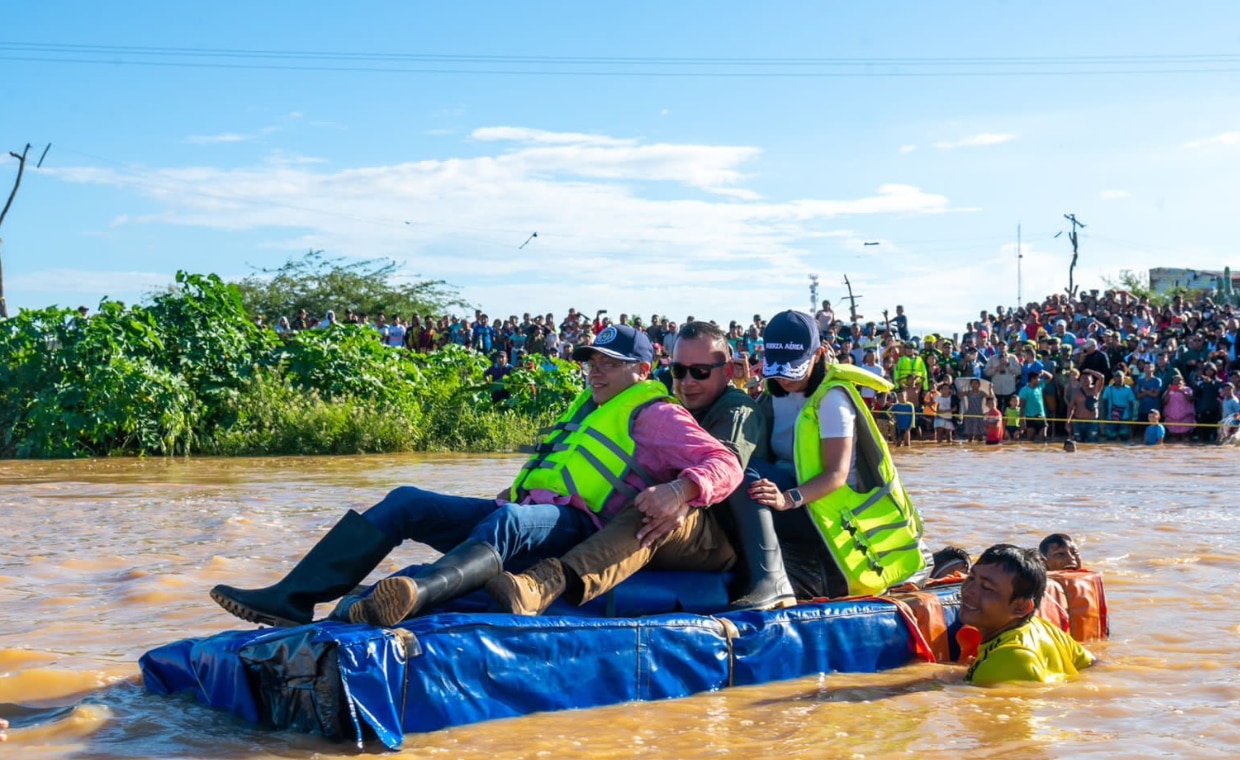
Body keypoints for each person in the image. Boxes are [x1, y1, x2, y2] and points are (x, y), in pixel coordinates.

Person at [210, 324, 742, 628]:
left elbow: (725, 464)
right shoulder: (587, 405)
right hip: (533, 517)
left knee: (509, 521)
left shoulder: (655, 413)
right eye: (590, 359)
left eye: (610, 361)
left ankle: (415, 594)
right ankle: (294, 597)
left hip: (581, 530)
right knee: (407, 501)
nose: (595, 368)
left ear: (642, 371)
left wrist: (680, 488)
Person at [485, 321, 790, 616]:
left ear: (726, 372)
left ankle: (547, 584)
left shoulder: (736, 409)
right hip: (690, 527)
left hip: (721, 535)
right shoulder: (669, 405)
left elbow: (725, 466)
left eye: (699, 372)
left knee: (654, 507)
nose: (687, 382)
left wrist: (680, 494)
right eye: (678, 371)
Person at [730, 310, 931, 600]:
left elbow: (836, 475)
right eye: (779, 367)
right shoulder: (774, 396)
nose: (785, 378)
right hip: (792, 494)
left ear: (819, 353)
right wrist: (738, 388)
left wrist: (788, 499)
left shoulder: (831, 399)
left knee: (747, 472)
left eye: (793, 367)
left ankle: (770, 583)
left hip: (823, 509)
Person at [961, 544, 1095, 685]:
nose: (968, 591)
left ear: (1021, 606)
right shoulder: (1041, 627)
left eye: (986, 587)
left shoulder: (1009, 659)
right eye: (971, 578)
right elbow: (1093, 664)